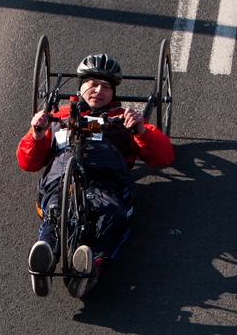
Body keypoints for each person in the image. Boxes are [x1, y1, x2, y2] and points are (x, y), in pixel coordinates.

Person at [17, 53, 174, 298]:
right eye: (92, 84)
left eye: (105, 86)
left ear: (113, 92)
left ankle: (93, 266)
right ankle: (47, 253)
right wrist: (37, 134)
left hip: (106, 181)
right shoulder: (58, 116)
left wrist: (141, 130)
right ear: (81, 87)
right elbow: (28, 162)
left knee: (114, 216)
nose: (98, 90)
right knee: (56, 210)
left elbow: (163, 157)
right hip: (61, 178)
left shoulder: (124, 119)